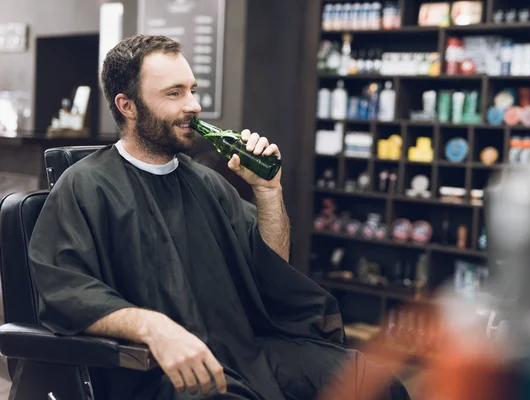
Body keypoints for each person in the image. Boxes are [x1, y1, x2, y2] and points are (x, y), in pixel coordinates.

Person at [29, 34, 410, 400]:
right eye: (174, 93)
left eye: (192, 90)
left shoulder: (206, 182)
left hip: (245, 351)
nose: (193, 105)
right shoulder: (85, 186)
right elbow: (67, 292)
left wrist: (268, 192)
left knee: (372, 382)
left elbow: (271, 270)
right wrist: (154, 328)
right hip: (156, 371)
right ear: (127, 106)